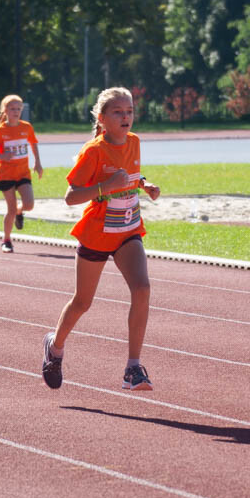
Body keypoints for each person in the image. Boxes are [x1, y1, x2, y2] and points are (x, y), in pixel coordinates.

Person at [41, 87, 161, 392]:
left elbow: (130, 173)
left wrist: (145, 184)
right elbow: (70, 197)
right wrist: (105, 187)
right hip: (97, 234)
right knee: (83, 302)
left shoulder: (134, 142)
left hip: (128, 231)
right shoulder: (93, 151)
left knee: (142, 288)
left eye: (129, 111)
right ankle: (55, 348)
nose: (125, 117)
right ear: (102, 118)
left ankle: (133, 368)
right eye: (118, 112)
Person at [0, 94, 43, 253]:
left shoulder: (26, 127)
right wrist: (3, 156)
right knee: (10, 209)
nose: (16, 111)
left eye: (18, 109)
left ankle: (20, 211)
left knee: (29, 205)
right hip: (6, 174)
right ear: (5, 111)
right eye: (12, 109)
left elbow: (33, 143)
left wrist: (38, 162)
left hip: (23, 173)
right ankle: (6, 240)